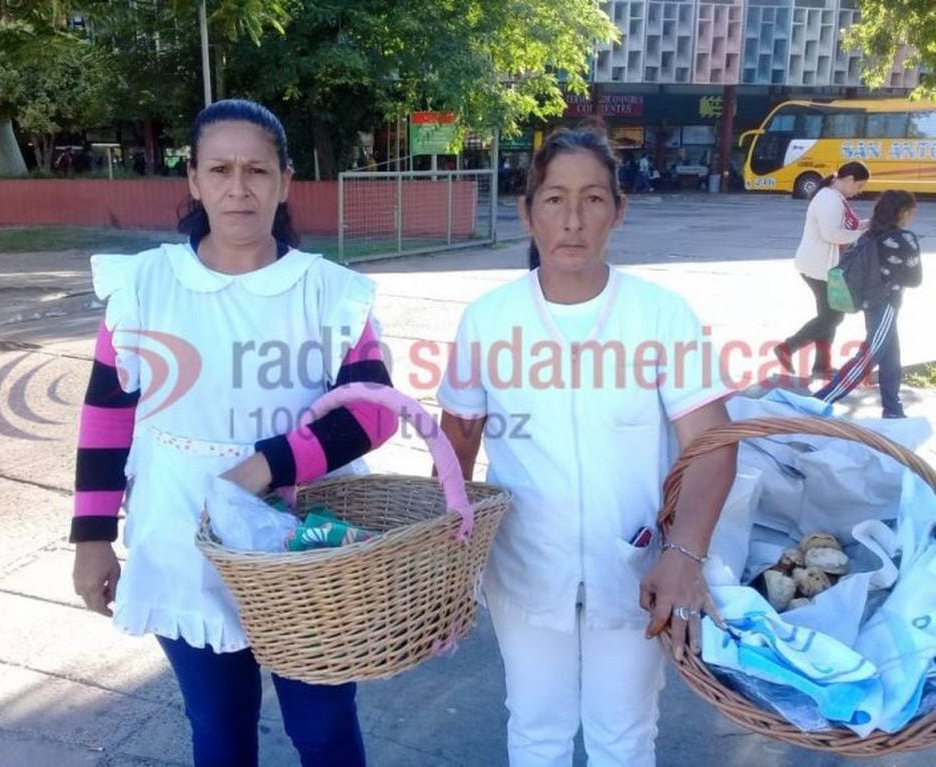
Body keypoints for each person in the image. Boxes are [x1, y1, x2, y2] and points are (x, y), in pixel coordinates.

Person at [71, 99, 399, 767]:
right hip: (182, 536)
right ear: (192, 178)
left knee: (323, 728)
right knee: (218, 729)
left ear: (285, 181)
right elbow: (106, 417)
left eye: (256, 170)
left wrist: (265, 466)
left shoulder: (328, 294)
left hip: (305, 543)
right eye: (219, 168)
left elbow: (375, 410)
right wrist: (92, 537)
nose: (237, 187)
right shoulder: (146, 286)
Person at [436, 127, 737, 767]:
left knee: (622, 735)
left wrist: (685, 554)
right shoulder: (489, 319)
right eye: (554, 199)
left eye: (594, 199)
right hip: (523, 565)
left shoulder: (659, 315)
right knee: (537, 726)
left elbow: (711, 443)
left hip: (636, 570)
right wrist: (445, 557)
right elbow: (456, 441)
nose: (573, 220)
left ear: (618, 210)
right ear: (527, 211)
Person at [815, 190, 922, 418]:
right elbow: (915, 279)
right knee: (869, 356)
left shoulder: (869, 234)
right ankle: (821, 399)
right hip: (887, 303)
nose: (912, 216)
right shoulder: (905, 239)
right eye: (912, 212)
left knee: (891, 356)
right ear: (903, 212)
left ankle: (893, 410)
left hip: (869, 301)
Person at [773, 161, 871, 377]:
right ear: (848, 180)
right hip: (819, 268)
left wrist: (865, 225)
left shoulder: (835, 197)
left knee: (828, 316)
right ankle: (787, 348)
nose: (859, 191)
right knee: (832, 317)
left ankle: (821, 366)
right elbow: (832, 234)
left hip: (822, 266)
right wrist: (862, 232)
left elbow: (843, 228)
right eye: (859, 185)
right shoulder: (828, 199)